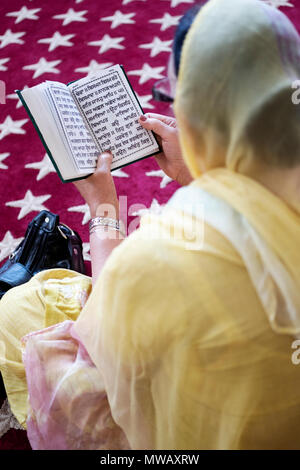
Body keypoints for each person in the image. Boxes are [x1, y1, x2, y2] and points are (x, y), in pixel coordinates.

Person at [1, 0, 300, 450]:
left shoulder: (163, 250)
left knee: (18, 311)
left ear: (194, 110)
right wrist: (195, 171)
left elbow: (104, 338)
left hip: (203, 432)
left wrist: (104, 207)